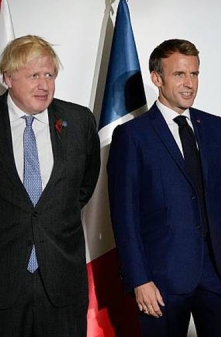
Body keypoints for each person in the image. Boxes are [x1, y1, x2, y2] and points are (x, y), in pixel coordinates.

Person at [107, 39, 221, 337]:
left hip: (219, 274)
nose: (189, 84)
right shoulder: (132, 136)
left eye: (194, 74)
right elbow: (124, 216)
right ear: (156, 78)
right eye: (179, 75)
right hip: (161, 278)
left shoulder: (214, 126)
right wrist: (139, 280)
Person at [0, 35, 100, 336]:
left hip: (62, 284)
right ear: (8, 79)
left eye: (49, 75)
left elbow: (83, 187)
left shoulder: (78, 121)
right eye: (33, 75)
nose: (44, 85)